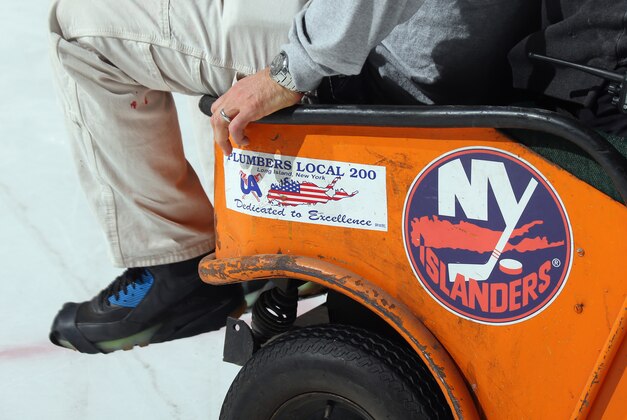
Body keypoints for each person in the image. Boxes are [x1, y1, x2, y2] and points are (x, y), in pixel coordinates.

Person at [48, 0, 536, 354]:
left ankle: (175, 265)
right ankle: (261, 246)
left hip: (384, 53)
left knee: (79, 29)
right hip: (437, 33)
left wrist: (288, 72)